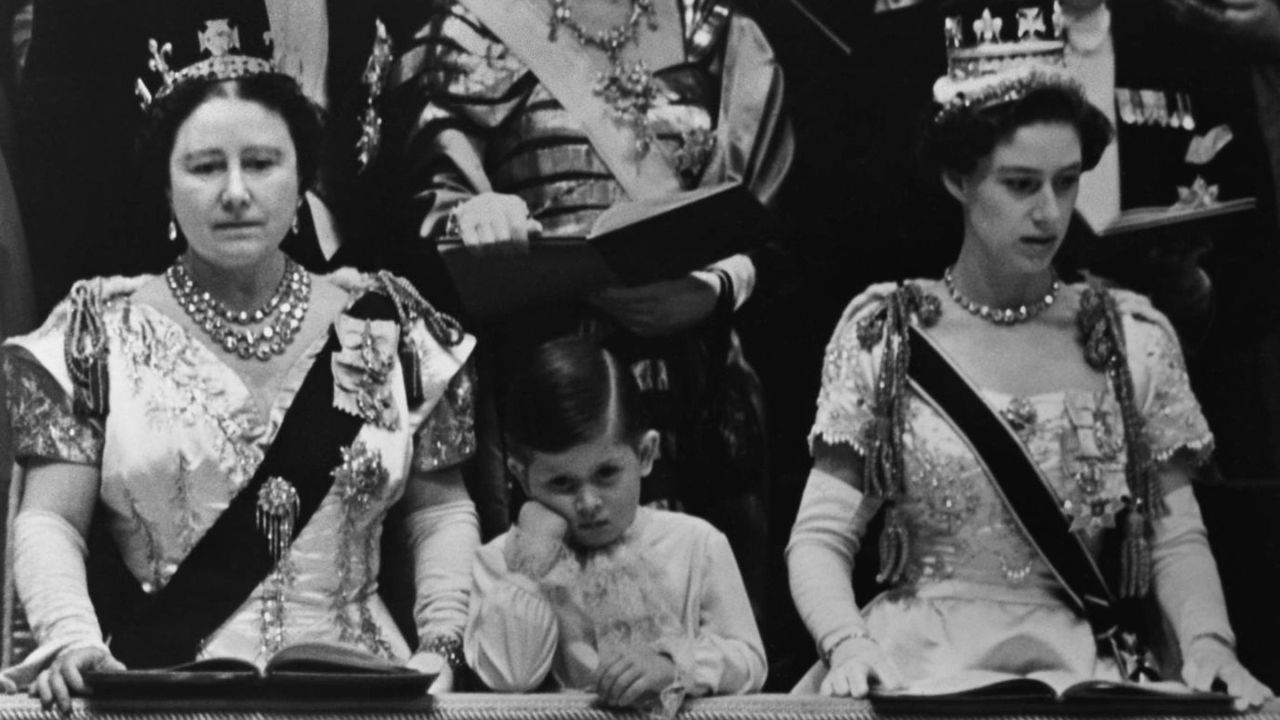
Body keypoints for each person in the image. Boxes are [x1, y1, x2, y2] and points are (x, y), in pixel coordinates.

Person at [785, 50, 1273, 707]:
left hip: (1075, 670)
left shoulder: (1128, 340)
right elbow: (819, 537)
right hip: (913, 672)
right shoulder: (889, 335)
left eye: (1066, 182)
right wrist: (846, 643)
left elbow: (1175, 536)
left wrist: (1211, 644)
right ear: (960, 179)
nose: (1050, 212)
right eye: (1020, 184)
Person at [0, 47, 479, 712]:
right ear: (167, 186)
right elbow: (51, 520)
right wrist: (73, 640)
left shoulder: (389, 323)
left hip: (370, 695)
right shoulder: (98, 332)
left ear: (301, 177)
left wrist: (443, 645)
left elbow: (441, 514)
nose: (235, 192)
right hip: (167, 692)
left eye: (260, 163)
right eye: (204, 167)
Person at [376, 0, 792, 601]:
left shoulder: (718, 35)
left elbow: (768, 223)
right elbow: (430, 207)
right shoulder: (472, 33)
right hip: (547, 386)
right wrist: (475, 212)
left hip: (696, 387)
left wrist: (713, 289)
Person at [464, 337, 766, 714]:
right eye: (561, 484)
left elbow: (750, 661)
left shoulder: (695, 543)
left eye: (606, 473)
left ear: (645, 454)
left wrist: (676, 666)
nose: (588, 503)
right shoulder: (498, 562)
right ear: (523, 478)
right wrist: (529, 566)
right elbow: (511, 677)